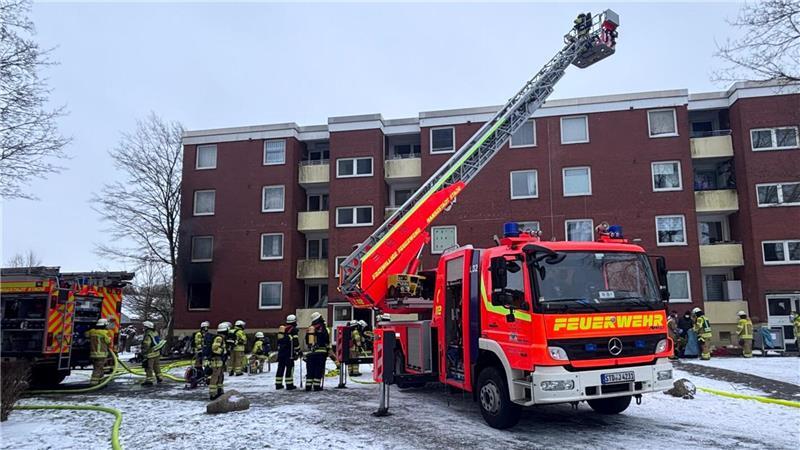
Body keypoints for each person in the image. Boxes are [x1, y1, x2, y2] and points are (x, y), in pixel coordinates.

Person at [305, 312, 330, 391]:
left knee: (310, 370)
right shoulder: (322, 328)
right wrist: (327, 350)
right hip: (320, 353)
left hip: (310, 353)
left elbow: (307, 341)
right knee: (318, 370)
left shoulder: (310, 328)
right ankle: (316, 386)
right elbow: (326, 339)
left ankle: (308, 386)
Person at [275, 314, 299, 390]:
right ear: (294, 321)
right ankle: (289, 385)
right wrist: (298, 351)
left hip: (281, 353)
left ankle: (278, 384)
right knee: (289, 368)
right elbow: (295, 342)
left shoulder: (283, 329)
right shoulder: (293, 330)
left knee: (280, 368)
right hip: (289, 354)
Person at [85, 318, 112, 385]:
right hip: (101, 354)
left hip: (93, 354)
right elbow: (108, 341)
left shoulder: (92, 332)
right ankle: (94, 383)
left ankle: (101, 382)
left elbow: (86, 334)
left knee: (99, 368)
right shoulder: (105, 333)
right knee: (97, 369)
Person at [208, 322, 229, 400]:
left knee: (220, 375)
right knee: (215, 376)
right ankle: (213, 394)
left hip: (220, 360)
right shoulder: (219, 338)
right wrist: (222, 351)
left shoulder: (222, 338)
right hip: (216, 359)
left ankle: (219, 390)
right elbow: (214, 349)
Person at [141, 321, 164, 386]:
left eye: (144, 326)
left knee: (148, 367)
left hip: (150, 353)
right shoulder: (155, 332)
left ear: (147, 327)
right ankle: (159, 377)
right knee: (156, 366)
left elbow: (146, 344)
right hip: (156, 352)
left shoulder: (148, 334)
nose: (143, 328)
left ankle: (149, 380)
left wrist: (143, 351)